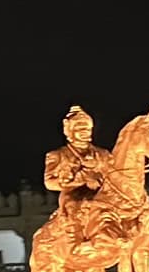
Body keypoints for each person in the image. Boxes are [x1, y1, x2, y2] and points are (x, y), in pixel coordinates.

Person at [44, 105, 111, 249]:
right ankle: (76, 244)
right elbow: (49, 182)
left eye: (87, 129)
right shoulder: (58, 155)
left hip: (102, 194)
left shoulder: (103, 154)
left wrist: (99, 173)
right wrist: (80, 179)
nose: (85, 132)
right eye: (80, 129)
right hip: (75, 196)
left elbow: (114, 173)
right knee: (75, 209)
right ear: (70, 131)